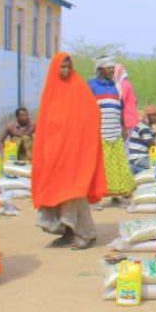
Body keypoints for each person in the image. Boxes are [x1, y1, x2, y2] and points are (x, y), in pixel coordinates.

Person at [32, 54, 108, 249]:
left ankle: (86, 233)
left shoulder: (79, 89)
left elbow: (92, 115)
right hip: (55, 154)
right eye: (62, 67)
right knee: (57, 192)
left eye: (68, 67)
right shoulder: (51, 91)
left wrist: (77, 140)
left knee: (74, 192)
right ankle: (66, 231)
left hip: (75, 154)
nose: (65, 71)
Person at [89, 56, 136, 200]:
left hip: (115, 131)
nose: (111, 70)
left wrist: (123, 127)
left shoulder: (116, 87)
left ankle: (117, 195)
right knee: (100, 166)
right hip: (99, 132)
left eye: (112, 68)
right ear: (100, 69)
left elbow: (120, 108)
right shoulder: (91, 85)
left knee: (117, 164)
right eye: (108, 68)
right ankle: (96, 197)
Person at [127, 105, 156, 171]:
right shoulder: (143, 127)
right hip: (138, 158)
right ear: (148, 116)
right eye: (154, 115)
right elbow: (151, 143)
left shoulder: (148, 128)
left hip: (143, 157)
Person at [114, 63, 139, 137]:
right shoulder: (127, 84)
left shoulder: (123, 85)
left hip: (127, 120)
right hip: (131, 119)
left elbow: (120, 100)